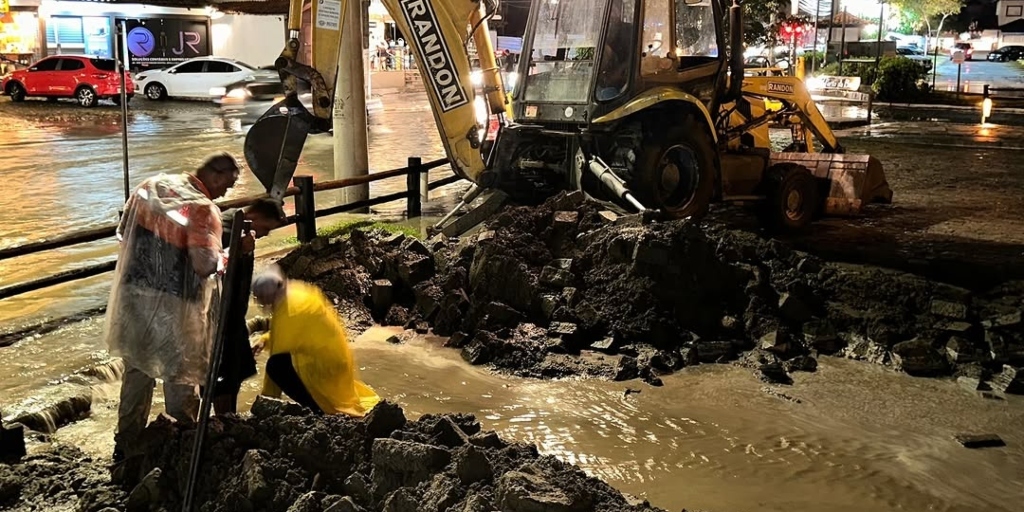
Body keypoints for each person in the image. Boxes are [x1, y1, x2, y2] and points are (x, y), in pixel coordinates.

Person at [105, 152, 244, 464]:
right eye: (228, 185)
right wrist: (230, 254)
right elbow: (204, 264)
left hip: (132, 294)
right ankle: (185, 441)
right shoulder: (203, 209)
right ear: (218, 176)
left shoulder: (150, 186)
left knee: (137, 370)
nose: (226, 192)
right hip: (173, 304)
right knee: (180, 373)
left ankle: (127, 443)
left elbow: (122, 233)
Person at [250, 268, 380, 416]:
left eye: (259, 298)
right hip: (339, 361)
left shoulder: (289, 312)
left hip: (324, 370)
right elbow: (293, 332)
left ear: (267, 295)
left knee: (276, 366)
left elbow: (278, 355)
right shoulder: (297, 292)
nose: (258, 302)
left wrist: (265, 405)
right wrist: (264, 340)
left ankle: (317, 411)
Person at [210, 199, 287, 415]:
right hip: (220, 316)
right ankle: (223, 419)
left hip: (234, 313)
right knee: (222, 376)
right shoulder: (226, 230)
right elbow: (212, 267)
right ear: (254, 215)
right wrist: (238, 251)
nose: (264, 235)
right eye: (265, 228)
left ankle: (228, 417)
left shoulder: (243, 230)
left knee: (234, 373)